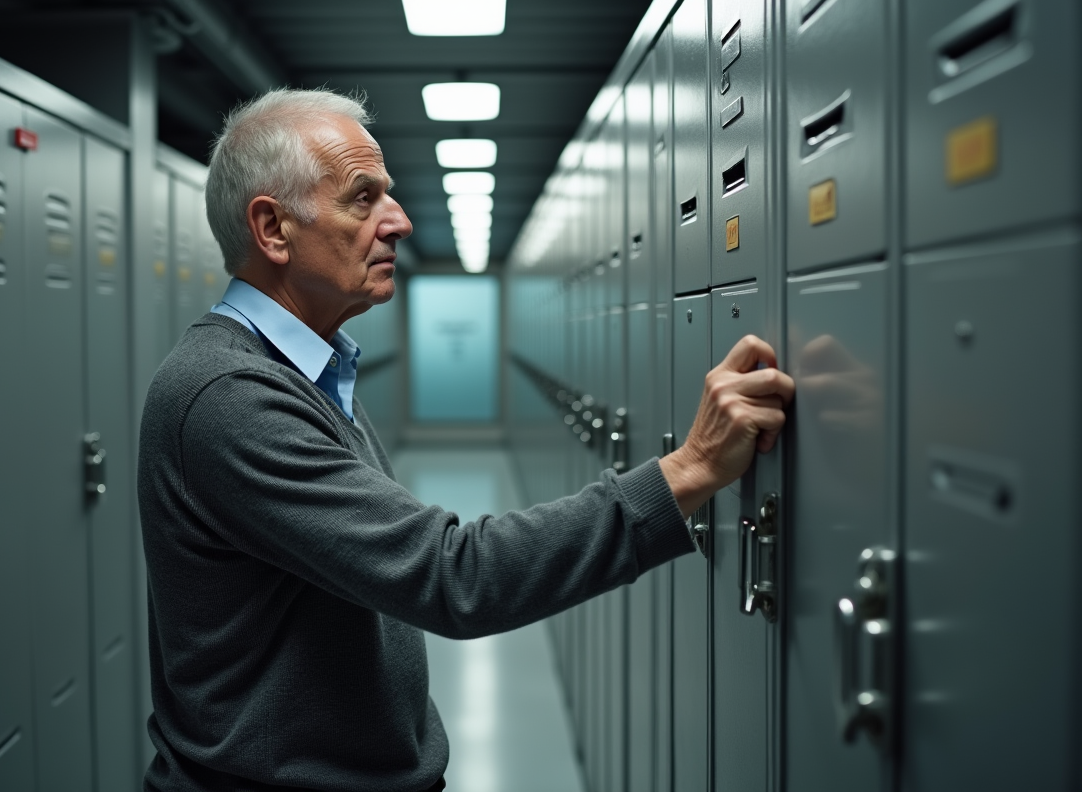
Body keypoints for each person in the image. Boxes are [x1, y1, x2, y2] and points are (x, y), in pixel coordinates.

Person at [137, 88, 795, 792]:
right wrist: (690, 470)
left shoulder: (304, 368)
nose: (400, 221)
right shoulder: (231, 397)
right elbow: (455, 576)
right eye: (364, 199)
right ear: (272, 229)